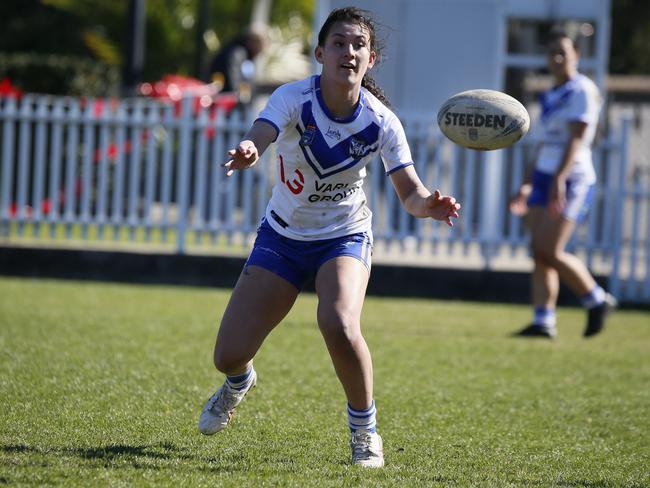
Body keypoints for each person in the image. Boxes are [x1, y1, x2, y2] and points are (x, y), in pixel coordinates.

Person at [198, 7, 461, 468]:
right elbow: (262, 131)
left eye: (358, 44)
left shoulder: (382, 123)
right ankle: (239, 383)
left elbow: (412, 195)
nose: (349, 51)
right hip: (282, 235)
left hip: (344, 235)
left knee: (339, 323)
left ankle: (365, 431)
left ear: (371, 59)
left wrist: (429, 206)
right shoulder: (293, 98)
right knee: (227, 356)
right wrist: (250, 148)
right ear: (321, 53)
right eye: (339, 43)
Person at [509, 29, 617, 340]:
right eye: (552, 53)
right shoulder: (551, 93)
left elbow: (577, 139)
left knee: (550, 249)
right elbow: (544, 143)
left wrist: (559, 177)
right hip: (545, 176)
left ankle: (597, 299)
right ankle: (544, 321)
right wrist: (528, 183)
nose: (557, 58)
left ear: (576, 56)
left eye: (563, 53)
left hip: (572, 178)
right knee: (538, 251)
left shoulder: (582, 90)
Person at [209, 25, 267, 94]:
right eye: (260, 46)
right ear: (252, 42)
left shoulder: (246, 55)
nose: (260, 51)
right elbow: (234, 84)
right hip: (224, 98)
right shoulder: (237, 53)